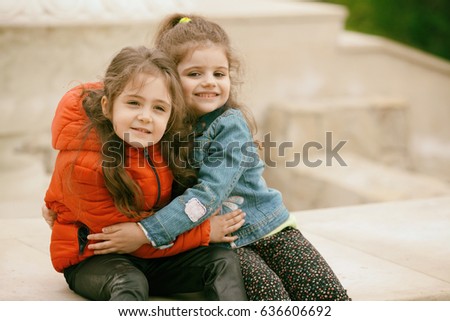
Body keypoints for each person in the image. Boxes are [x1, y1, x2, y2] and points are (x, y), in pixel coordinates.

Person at [78, 14, 351, 301]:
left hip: (268, 229)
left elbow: (207, 196)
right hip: (221, 243)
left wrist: (145, 233)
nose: (210, 83)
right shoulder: (158, 122)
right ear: (169, 77)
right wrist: (61, 206)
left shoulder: (229, 125)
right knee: (271, 297)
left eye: (219, 74)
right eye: (195, 74)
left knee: (327, 296)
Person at [44, 45, 248, 301]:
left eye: (159, 108)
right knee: (130, 282)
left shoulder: (160, 143)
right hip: (96, 259)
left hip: (150, 250)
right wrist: (204, 232)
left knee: (221, 260)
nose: (145, 117)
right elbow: (125, 237)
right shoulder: (84, 165)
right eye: (133, 103)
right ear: (107, 106)